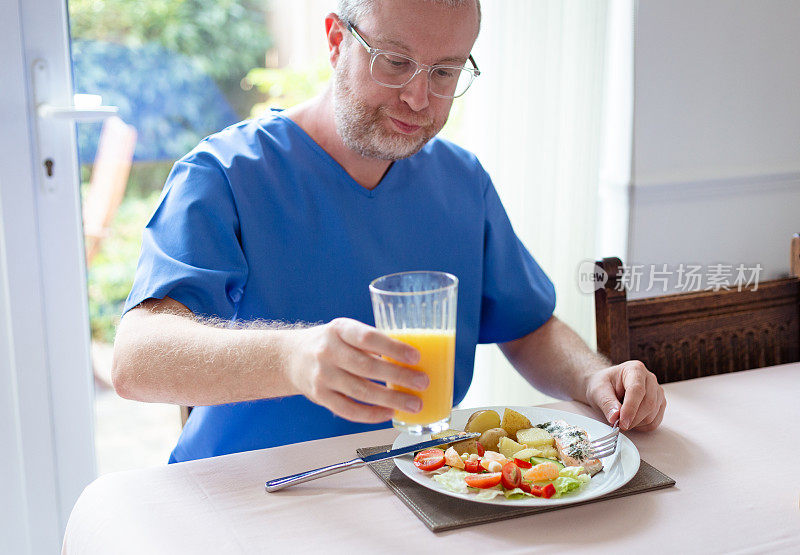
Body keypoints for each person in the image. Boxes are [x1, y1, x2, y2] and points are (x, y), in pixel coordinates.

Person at [113, 0, 666, 463]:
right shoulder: (227, 175)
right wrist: (291, 358)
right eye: (396, 62)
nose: (419, 99)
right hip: (246, 493)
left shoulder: (460, 181)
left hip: (418, 480)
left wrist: (594, 378)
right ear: (335, 40)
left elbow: (526, 327)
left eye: (445, 72)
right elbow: (136, 360)